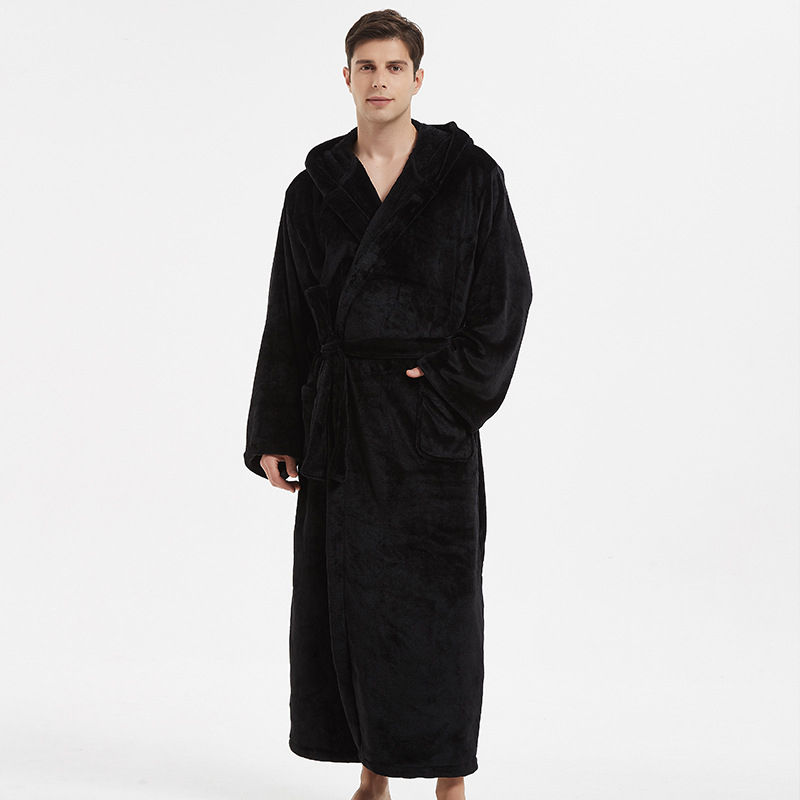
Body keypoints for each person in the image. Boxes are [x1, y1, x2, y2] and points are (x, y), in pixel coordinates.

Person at [243, 9, 533, 800]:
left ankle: (449, 775)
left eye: (394, 66)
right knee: (354, 602)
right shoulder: (313, 190)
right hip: (341, 426)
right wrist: (276, 428)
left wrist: (444, 391)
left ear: (418, 77)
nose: (379, 80)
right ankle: (372, 768)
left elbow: (505, 300)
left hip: (428, 432)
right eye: (366, 66)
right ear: (346, 77)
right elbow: (288, 316)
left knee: (439, 606)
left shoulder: (469, 177)